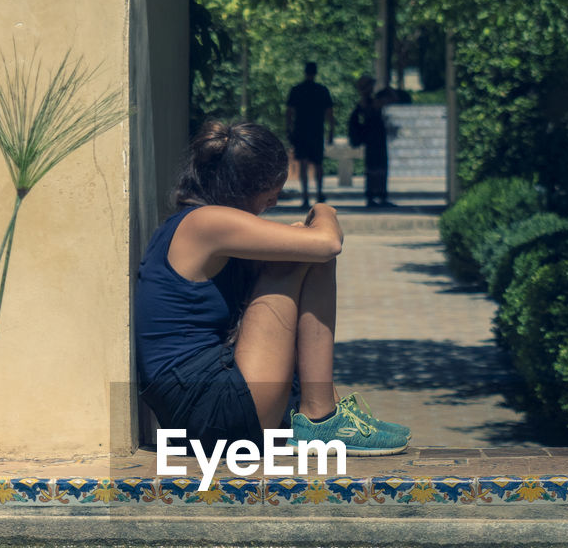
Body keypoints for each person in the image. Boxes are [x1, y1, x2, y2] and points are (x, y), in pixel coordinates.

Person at [135, 120, 412, 457]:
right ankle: (320, 418)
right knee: (308, 255)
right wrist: (323, 209)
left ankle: (328, 412)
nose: (275, 201)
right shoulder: (206, 223)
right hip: (209, 410)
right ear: (250, 186)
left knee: (298, 251)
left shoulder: (198, 225)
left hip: (202, 408)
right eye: (272, 193)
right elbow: (327, 242)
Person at [285, 61, 334, 208]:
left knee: (304, 164)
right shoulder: (322, 90)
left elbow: (289, 112)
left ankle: (305, 196)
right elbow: (330, 114)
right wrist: (330, 131)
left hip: (301, 130)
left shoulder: (297, 90)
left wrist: (288, 129)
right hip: (316, 131)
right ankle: (319, 193)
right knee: (318, 163)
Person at [347, 75, 396, 208]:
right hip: (373, 139)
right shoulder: (366, 102)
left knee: (378, 167)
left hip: (376, 138)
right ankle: (375, 195)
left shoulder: (371, 100)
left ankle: (378, 194)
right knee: (375, 167)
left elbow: (392, 97)